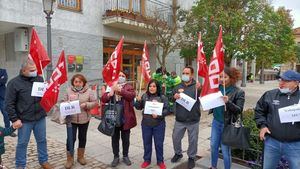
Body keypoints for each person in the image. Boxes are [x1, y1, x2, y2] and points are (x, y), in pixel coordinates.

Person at [5, 59, 53, 169]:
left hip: (40, 117)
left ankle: (44, 161)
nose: (35, 71)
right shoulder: (13, 83)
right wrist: (14, 119)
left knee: (42, 140)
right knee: (22, 143)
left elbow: (44, 97)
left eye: (35, 69)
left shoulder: (40, 79)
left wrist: (47, 89)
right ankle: (20, 165)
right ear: (23, 70)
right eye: (32, 70)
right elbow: (9, 104)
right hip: (24, 120)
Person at [255, 70, 300, 169]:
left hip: (295, 145)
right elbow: (259, 111)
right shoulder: (270, 95)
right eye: (281, 80)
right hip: (272, 142)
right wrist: (262, 126)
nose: (281, 83)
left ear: (296, 83)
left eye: (286, 81)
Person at [209, 67, 245, 169]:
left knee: (225, 150)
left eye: (224, 77)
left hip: (227, 124)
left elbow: (239, 110)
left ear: (232, 78)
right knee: (213, 146)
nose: (221, 79)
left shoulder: (238, 92)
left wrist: (228, 102)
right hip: (216, 121)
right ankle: (213, 166)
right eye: (220, 76)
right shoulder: (217, 88)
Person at [101, 71, 137, 167]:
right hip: (113, 117)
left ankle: (125, 155)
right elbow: (103, 99)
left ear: (126, 77)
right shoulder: (111, 85)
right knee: (114, 138)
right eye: (119, 75)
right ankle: (116, 156)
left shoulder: (128, 86)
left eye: (123, 76)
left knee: (126, 138)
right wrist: (110, 93)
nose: (121, 77)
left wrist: (120, 91)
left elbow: (131, 96)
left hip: (125, 117)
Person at [63, 74, 97, 168]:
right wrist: (67, 103)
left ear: (83, 82)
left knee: (82, 137)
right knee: (71, 138)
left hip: (84, 119)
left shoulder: (89, 91)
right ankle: (69, 159)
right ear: (73, 82)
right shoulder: (68, 91)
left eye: (80, 82)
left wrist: (86, 104)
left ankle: (80, 157)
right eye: (76, 82)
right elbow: (62, 102)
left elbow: (95, 103)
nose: (78, 84)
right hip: (71, 120)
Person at [171, 66, 201, 169]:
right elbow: (171, 97)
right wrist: (174, 96)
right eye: (183, 73)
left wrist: (200, 89)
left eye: (187, 73)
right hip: (180, 119)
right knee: (175, 138)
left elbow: (203, 98)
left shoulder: (197, 86)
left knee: (193, 140)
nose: (185, 75)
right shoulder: (178, 86)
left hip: (193, 119)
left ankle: (191, 157)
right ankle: (178, 153)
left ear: (192, 75)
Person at [135, 79, 170, 169]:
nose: (152, 88)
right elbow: (139, 107)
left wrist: (159, 115)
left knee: (159, 144)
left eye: (154, 86)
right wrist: (138, 101)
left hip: (159, 125)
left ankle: (160, 161)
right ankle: (147, 160)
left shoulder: (162, 97)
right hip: (146, 124)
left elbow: (167, 110)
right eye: (150, 86)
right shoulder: (144, 95)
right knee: (147, 143)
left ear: (157, 87)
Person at [0, 68, 16, 137]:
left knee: (6, 113)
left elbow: (4, 80)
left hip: (2, 97)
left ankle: (8, 130)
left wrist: (2, 80)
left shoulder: (3, 71)